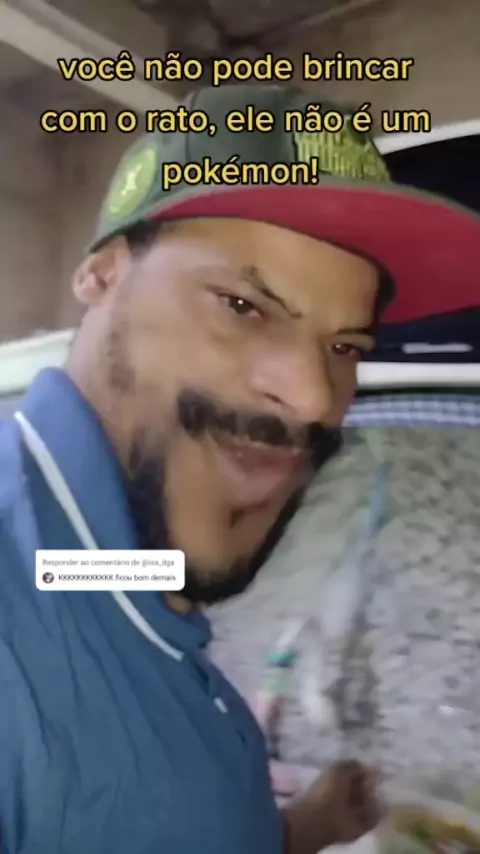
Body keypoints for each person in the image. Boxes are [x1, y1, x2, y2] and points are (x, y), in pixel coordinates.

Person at [0, 84, 479, 854]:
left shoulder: (96, 564)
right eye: (243, 306)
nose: (315, 397)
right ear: (103, 274)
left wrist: (301, 829)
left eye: (345, 346)